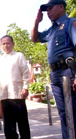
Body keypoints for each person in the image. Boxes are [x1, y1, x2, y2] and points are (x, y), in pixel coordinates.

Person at [31, 0, 76, 138]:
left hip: (68, 73)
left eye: (51, 8)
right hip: (55, 75)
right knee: (63, 113)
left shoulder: (70, 23)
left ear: (61, 7)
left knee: (73, 112)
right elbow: (35, 38)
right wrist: (37, 22)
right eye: (47, 10)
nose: (48, 12)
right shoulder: (52, 29)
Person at [0, 35, 31, 139]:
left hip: (17, 94)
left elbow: (26, 73)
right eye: (3, 43)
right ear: (1, 46)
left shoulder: (19, 56)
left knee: (22, 123)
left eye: (8, 43)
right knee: (8, 125)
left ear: (13, 44)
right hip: (5, 96)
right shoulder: (0, 60)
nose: (6, 45)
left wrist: (26, 87)